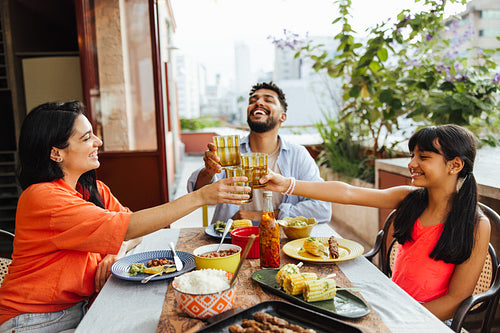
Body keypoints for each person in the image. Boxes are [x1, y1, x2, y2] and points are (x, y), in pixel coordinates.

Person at [0, 101, 250, 332]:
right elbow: (131, 226)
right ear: (57, 153)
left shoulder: (91, 189)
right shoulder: (42, 197)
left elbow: (136, 228)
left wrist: (115, 251)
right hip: (31, 319)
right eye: (87, 137)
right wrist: (201, 197)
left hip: (79, 308)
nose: (98, 142)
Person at [260, 124, 491, 321]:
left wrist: (397, 317)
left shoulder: (476, 225)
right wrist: (287, 184)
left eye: (424, 157)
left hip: (423, 318)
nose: (412, 164)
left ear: (455, 165)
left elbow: (456, 300)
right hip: (389, 301)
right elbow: (348, 193)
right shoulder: (409, 198)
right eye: (412, 155)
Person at [187, 81, 332, 224]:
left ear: (283, 117)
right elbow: (198, 193)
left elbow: (322, 208)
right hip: (229, 241)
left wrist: (262, 216)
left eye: (268, 100)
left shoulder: (298, 155)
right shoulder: (230, 151)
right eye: (253, 100)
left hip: (281, 243)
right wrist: (209, 172)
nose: (258, 103)